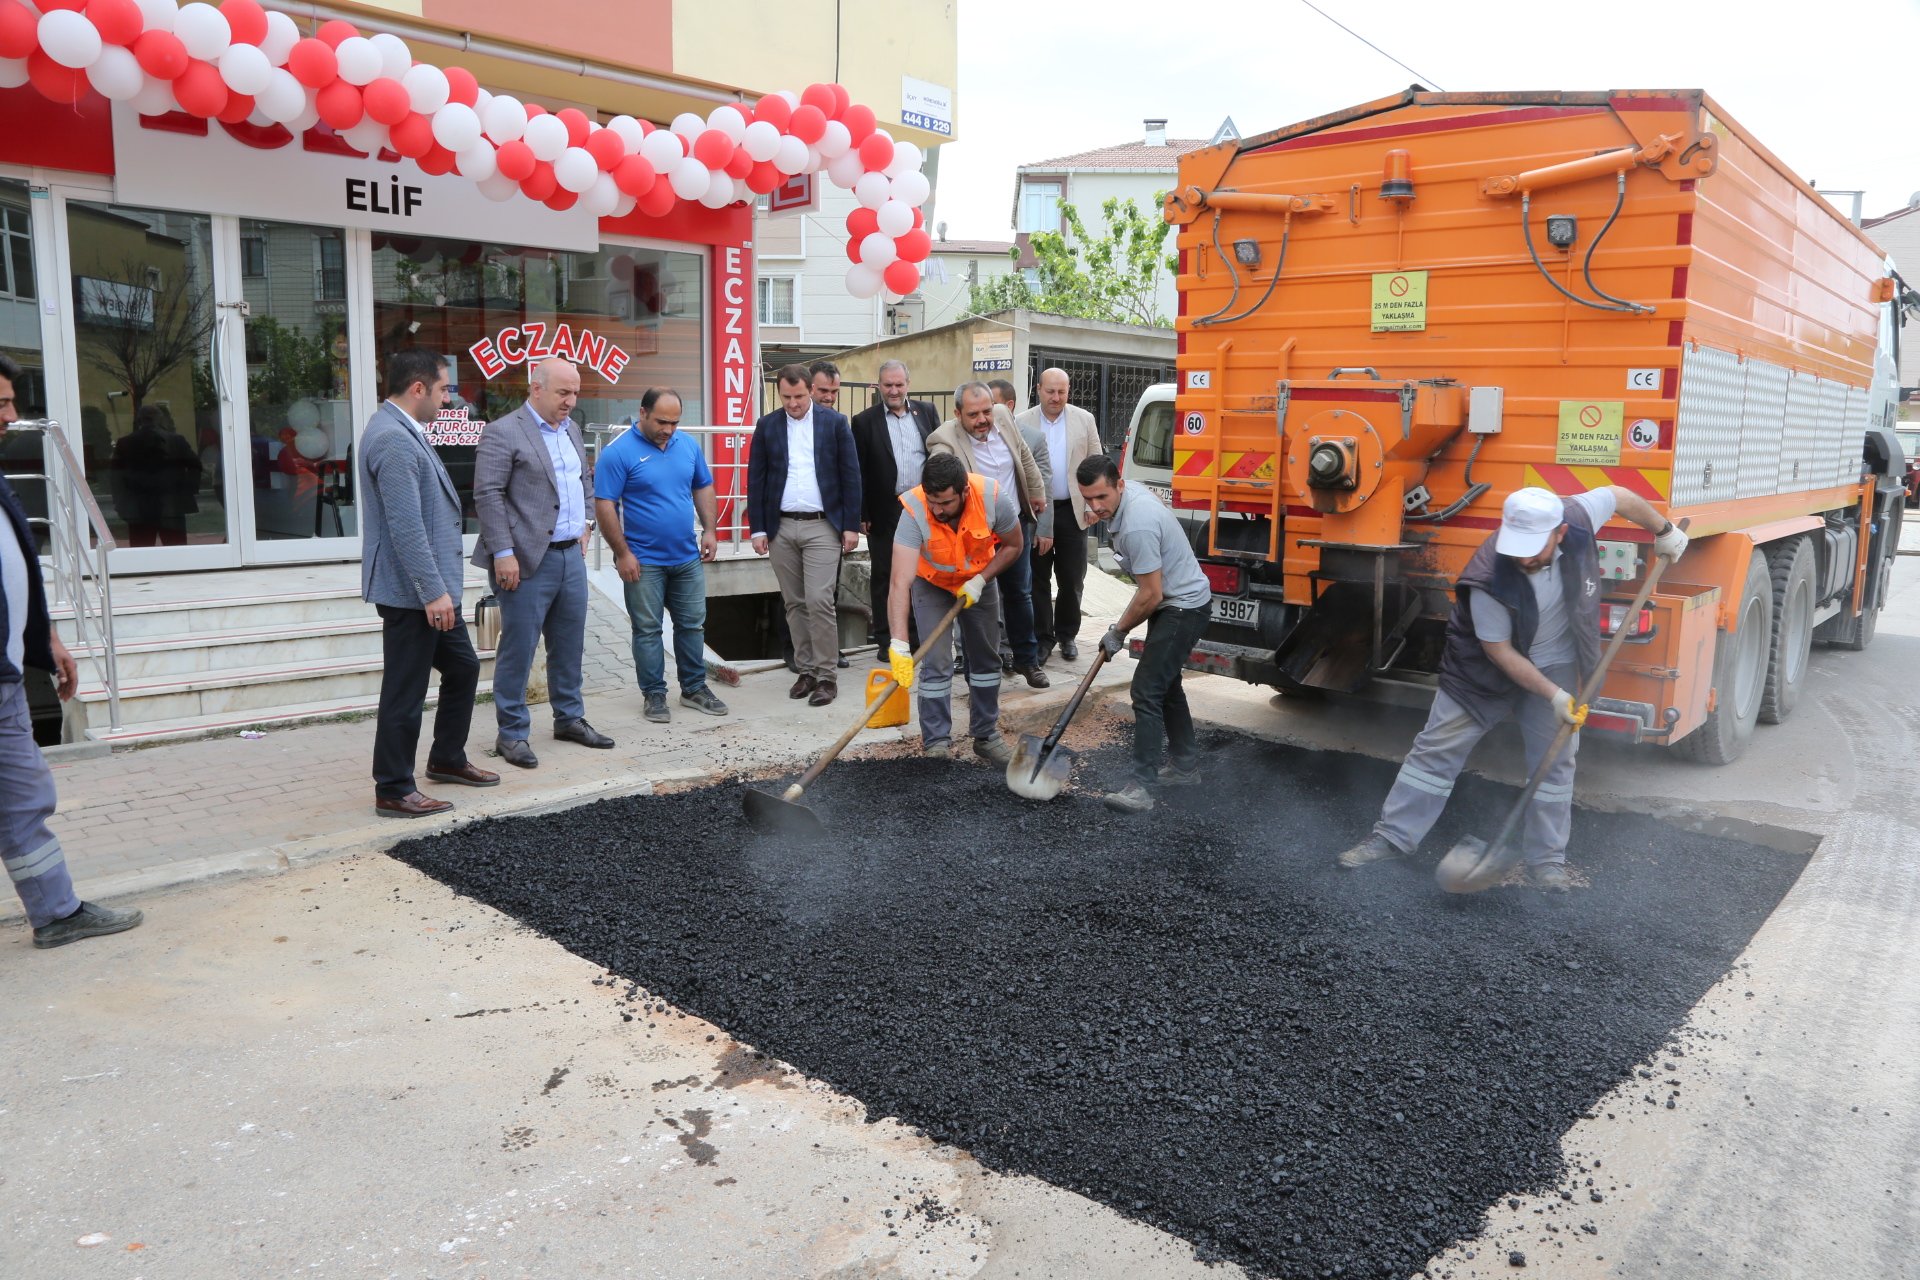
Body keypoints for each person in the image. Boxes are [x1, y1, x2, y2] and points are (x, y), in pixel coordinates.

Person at [1335, 486, 1688, 890]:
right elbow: (1500, 652)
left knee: (1556, 759)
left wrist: (1663, 530)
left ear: (1559, 532)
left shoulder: (1577, 514)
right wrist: (1554, 696)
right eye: (1517, 546)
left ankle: (1547, 863)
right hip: (1481, 670)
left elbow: (1621, 496)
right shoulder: (1488, 578)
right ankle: (1392, 838)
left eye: (1532, 548)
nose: (1522, 557)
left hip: (1555, 661)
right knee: (1436, 750)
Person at [0, 352, 144, 948]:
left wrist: (47, 638)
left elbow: (20, 570)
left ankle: (57, 913)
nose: (11, 416)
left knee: (25, 794)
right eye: (1, 404)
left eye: (11, 402)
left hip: (6, 676)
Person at [360, 349, 498, 817]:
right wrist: (433, 593)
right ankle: (394, 788)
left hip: (429, 591)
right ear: (418, 389)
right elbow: (405, 527)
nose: (447, 401)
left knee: (462, 668)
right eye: (442, 390)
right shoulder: (393, 440)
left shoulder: (405, 431)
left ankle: (446, 759)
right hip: (413, 594)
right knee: (405, 690)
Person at [471, 358, 613, 769]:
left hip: (571, 555)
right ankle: (512, 733)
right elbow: (488, 496)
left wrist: (587, 524)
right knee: (519, 649)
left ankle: (568, 719)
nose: (571, 401)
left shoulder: (570, 428)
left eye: (575, 393)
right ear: (536, 389)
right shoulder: (503, 432)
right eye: (562, 393)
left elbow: (584, 482)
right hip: (525, 561)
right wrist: (503, 553)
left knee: (569, 645)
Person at [1076, 454, 1214, 814]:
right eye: (1087, 498)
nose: (1095, 506)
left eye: (1101, 497)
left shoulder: (1137, 524)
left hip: (1182, 606)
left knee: (1146, 689)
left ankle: (1142, 787)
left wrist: (1117, 631)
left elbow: (1149, 594)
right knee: (1165, 684)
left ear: (1119, 485)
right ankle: (1185, 767)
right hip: (1174, 600)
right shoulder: (1126, 497)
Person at [594, 387, 729, 725]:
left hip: (686, 556)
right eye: (662, 421)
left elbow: (703, 486)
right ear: (642, 413)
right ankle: (654, 693)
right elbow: (604, 505)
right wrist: (621, 552)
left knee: (692, 625)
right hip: (643, 560)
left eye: (675, 422)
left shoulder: (687, 445)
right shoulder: (619, 452)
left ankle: (694, 688)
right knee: (648, 629)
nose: (669, 429)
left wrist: (710, 530)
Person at [884, 452, 1024, 764]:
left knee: (987, 658)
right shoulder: (915, 510)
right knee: (936, 662)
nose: (937, 509)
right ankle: (936, 743)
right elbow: (899, 582)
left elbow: (1014, 545)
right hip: (931, 582)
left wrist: (982, 580)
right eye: (933, 501)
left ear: (964, 492)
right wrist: (898, 642)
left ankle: (985, 735)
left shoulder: (991, 497)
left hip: (978, 581)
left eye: (945, 503)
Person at [748, 363, 861, 706]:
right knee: (794, 602)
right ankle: (807, 670)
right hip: (781, 526)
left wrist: (851, 525)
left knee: (818, 600)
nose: (793, 403)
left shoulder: (835, 423)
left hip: (823, 525)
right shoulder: (767, 426)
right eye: (786, 396)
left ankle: (827, 676)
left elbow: (850, 475)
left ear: (811, 390)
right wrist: (758, 528)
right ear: (778, 393)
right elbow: (757, 478)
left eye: (798, 396)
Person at [927, 382, 1049, 688]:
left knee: (1020, 594)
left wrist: (1035, 491)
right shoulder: (944, 439)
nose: (983, 419)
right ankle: (976, 671)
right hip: (975, 534)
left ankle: (1027, 660)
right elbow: (937, 470)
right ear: (957, 414)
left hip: (1012, 526)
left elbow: (1023, 454)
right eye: (973, 414)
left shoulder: (1003, 417)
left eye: (986, 411)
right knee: (975, 602)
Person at [850, 359, 939, 654]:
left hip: (923, 506)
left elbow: (937, 457)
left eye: (899, 384)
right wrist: (863, 513)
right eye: (888, 385)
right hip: (884, 509)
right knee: (886, 574)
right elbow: (859, 470)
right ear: (879, 386)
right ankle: (887, 638)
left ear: (908, 385)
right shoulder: (864, 421)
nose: (894, 390)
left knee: (923, 572)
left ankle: (918, 636)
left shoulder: (926, 412)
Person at [1018, 368, 1103, 663]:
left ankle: (1067, 635)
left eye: (1062, 392)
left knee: (1072, 578)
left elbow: (1096, 464)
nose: (1056, 398)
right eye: (1051, 391)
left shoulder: (1084, 420)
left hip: (1072, 511)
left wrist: (1094, 505)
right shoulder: (1021, 423)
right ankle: (1043, 638)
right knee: (1037, 579)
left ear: (1069, 391)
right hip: (1037, 512)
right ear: (1039, 389)